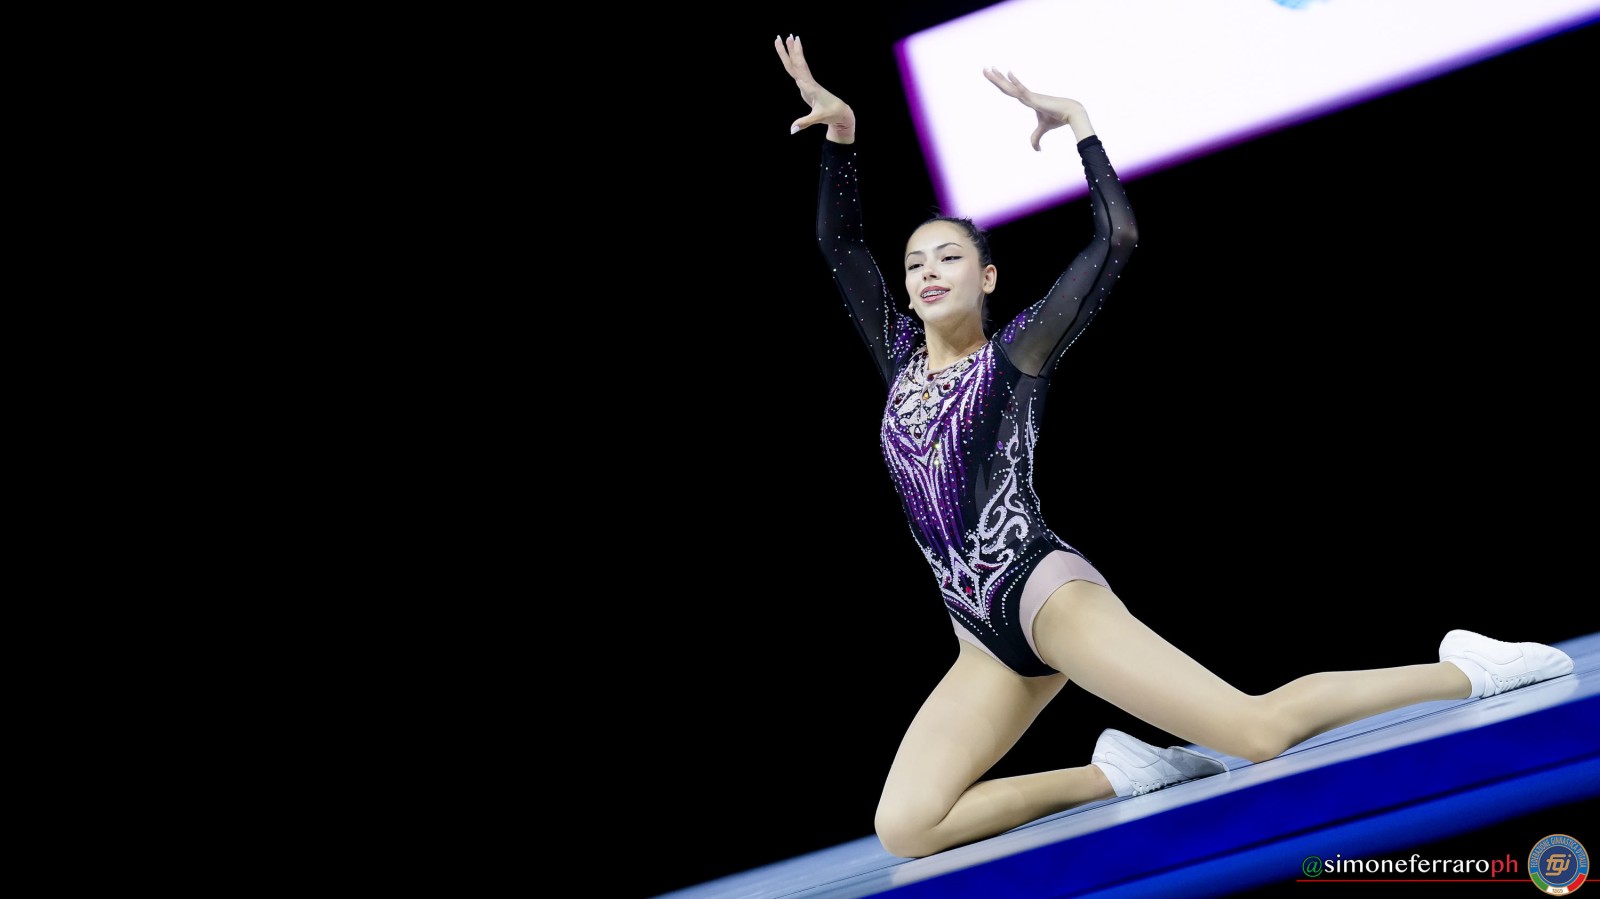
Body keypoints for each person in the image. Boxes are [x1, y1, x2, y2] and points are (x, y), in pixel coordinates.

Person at [771, 34, 1576, 860]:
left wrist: (1080, 125)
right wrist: (842, 138)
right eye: (915, 263)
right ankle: (1116, 774)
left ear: (988, 278)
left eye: (949, 256)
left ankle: (1468, 668)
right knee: (907, 825)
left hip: (1045, 597)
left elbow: (1114, 239)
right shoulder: (898, 358)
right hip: (979, 637)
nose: (927, 271)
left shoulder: (1013, 356)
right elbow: (842, 246)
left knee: (1257, 731)